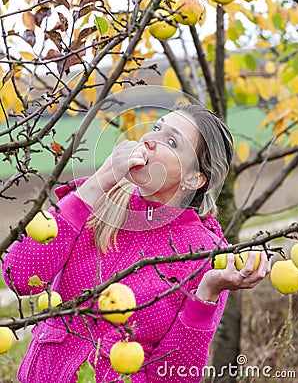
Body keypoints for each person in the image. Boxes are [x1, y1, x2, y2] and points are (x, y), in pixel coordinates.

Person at [2, 102, 271, 383]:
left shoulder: (206, 256)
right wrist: (102, 180)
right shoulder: (97, 203)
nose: (149, 140)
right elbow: (19, 276)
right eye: (156, 128)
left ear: (194, 178)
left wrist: (207, 293)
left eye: (170, 141)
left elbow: (175, 376)